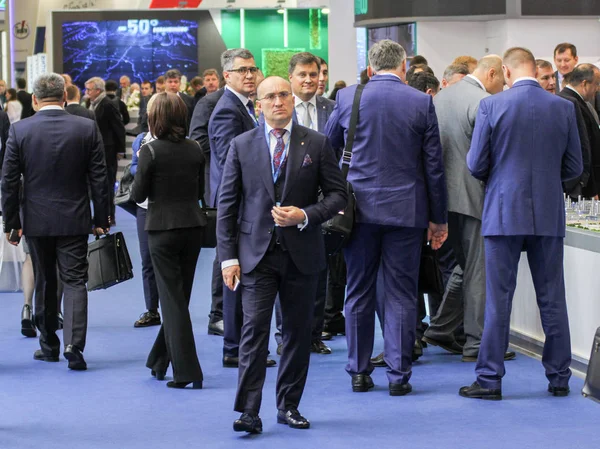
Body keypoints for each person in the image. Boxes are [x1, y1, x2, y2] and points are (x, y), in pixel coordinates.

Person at [217, 76, 347, 433]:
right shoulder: (241, 145)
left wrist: (305, 215)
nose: (278, 102)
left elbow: (338, 196)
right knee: (254, 333)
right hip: (255, 256)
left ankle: (288, 406)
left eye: (283, 95)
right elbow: (227, 206)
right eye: (270, 97)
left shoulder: (317, 143)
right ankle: (248, 411)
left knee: (297, 334)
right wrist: (228, 258)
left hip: (302, 255)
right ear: (259, 104)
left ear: (292, 100)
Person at [325, 39, 448, 395]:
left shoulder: (348, 98)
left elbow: (327, 147)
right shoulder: (421, 102)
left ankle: (359, 372)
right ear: (404, 66)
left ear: (370, 67)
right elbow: (434, 168)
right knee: (401, 294)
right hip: (406, 212)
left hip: (356, 211)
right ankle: (398, 374)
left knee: (358, 289)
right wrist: (438, 219)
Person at [459, 47, 582, 400]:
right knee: (553, 298)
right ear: (535, 69)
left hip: (502, 211)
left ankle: (489, 380)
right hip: (548, 213)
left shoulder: (492, 105)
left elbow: (476, 163)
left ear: (506, 72)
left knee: (498, 300)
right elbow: (574, 167)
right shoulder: (563, 107)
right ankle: (559, 377)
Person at [1, 73, 109, 370]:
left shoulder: (20, 130)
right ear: (64, 98)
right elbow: (100, 178)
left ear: (34, 101)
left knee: (45, 279)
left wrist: (11, 222)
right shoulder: (86, 127)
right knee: (75, 281)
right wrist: (103, 218)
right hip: (75, 218)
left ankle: (48, 345)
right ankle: (74, 345)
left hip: (35, 219)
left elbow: (8, 181)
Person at [424, 56, 515, 362]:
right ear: (491, 73)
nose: (501, 88)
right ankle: (476, 344)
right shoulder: (483, 103)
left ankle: (440, 328)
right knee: (478, 272)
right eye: (501, 81)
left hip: (440, 199)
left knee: (463, 268)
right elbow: (490, 156)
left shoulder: (440, 97)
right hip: (475, 198)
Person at [131, 92, 206, 389]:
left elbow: (137, 194)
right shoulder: (195, 148)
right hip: (193, 227)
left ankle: (188, 372)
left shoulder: (149, 151)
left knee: (172, 303)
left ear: (155, 118)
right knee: (179, 299)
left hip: (161, 230)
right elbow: (200, 190)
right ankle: (159, 360)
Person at [209, 48, 276, 368]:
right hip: (238, 208)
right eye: (243, 70)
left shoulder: (246, 106)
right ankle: (235, 348)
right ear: (227, 76)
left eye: (253, 69)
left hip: (248, 206)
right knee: (237, 279)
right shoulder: (227, 110)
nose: (250, 75)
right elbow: (227, 165)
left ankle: (238, 346)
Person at [271, 52, 338, 356]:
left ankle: (313, 333)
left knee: (319, 270)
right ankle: (285, 335)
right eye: (303, 75)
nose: (310, 80)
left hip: (324, 203)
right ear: (291, 78)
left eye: (315, 74)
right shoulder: (280, 110)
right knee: (284, 272)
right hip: (286, 206)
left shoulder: (333, 109)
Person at [85, 76, 126, 225]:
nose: (87, 92)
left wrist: (120, 149)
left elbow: (118, 126)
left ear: (98, 90)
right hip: (95, 150)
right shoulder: (90, 103)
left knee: (108, 184)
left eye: (89, 89)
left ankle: (110, 216)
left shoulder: (108, 104)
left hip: (108, 150)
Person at [559, 64, 600, 199]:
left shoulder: (580, 103)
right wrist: (585, 184)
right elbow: (582, 147)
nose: (597, 89)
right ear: (584, 84)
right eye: (596, 84)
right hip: (577, 186)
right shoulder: (569, 103)